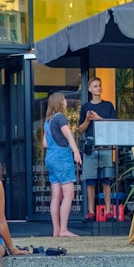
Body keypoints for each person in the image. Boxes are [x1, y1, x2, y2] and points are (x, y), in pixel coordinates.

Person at [75, 77, 117, 222]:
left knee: (106, 180)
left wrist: (98, 118)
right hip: (90, 147)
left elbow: (113, 124)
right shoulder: (85, 107)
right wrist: (87, 120)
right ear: (90, 89)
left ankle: (109, 211)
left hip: (105, 146)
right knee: (90, 181)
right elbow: (80, 129)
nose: (98, 88)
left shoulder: (108, 106)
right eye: (95, 86)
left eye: (100, 86)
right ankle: (91, 211)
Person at [43, 92, 82, 237]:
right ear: (60, 102)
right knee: (68, 194)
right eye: (64, 99)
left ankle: (56, 230)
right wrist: (76, 152)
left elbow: (45, 143)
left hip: (50, 158)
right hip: (61, 157)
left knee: (55, 196)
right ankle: (64, 229)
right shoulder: (60, 118)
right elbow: (68, 135)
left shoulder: (48, 121)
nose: (66, 101)